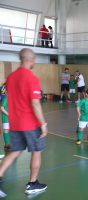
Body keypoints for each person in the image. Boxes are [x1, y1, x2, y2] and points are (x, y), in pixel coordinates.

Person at [0, 48, 48, 197]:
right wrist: (43, 123)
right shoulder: (32, 78)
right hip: (30, 123)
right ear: (31, 59)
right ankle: (33, 184)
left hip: (15, 123)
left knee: (14, 152)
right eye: (34, 59)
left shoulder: (10, 77)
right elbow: (35, 104)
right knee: (36, 151)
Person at [0, 85, 10, 151]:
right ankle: (7, 145)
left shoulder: (8, 97)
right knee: (6, 130)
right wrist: (8, 114)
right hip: (6, 118)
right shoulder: (6, 98)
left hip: (8, 118)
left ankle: (8, 143)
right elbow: (1, 108)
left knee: (8, 130)